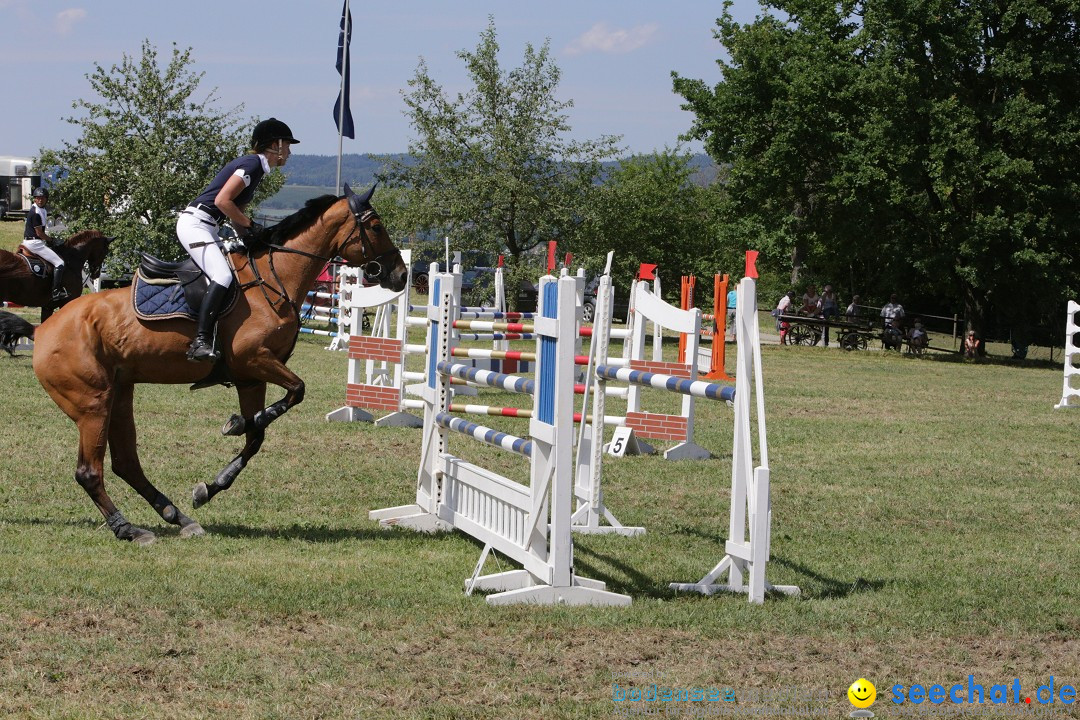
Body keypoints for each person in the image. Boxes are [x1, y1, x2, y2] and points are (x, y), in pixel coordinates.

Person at [176, 118, 299, 361]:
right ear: (276, 145)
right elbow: (223, 201)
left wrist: (253, 239)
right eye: (288, 146)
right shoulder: (253, 164)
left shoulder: (257, 170)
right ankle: (200, 341)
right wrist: (251, 225)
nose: (289, 152)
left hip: (208, 226)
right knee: (222, 275)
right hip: (196, 224)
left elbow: (234, 214)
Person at [22, 187, 68, 303]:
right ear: (35, 199)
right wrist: (51, 240)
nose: (40, 200)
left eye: (42, 198)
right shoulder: (36, 212)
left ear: (46, 199)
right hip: (35, 243)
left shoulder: (41, 210)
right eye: (38, 198)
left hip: (33, 241)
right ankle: (55, 292)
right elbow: (39, 233)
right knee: (59, 263)